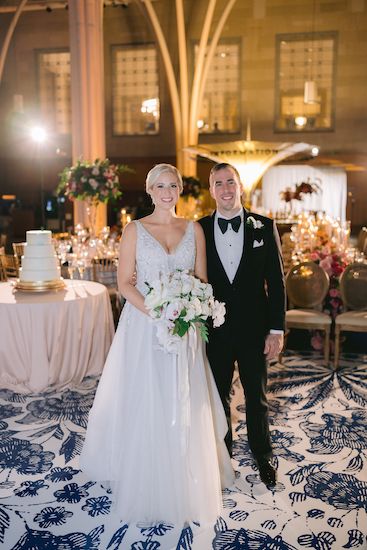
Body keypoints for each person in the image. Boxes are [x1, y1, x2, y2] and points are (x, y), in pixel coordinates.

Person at [80, 163, 234, 525]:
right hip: (147, 326)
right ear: (149, 191)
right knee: (148, 397)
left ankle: (185, 471)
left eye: (173, 186)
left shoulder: (194, 229)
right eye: (160, 186)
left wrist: (193, 308)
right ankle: (146, 472)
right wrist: (159, 311)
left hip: (186, 329)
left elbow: (201, 279)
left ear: (180, 190)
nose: (167, 192)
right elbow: (124, 284)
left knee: (183, 398)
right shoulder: (134, 231)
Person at [198, 162, 285, 488]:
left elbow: (276, 283)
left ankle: (263, 454)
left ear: (240, 186)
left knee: (257, 397)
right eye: (218, 183)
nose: (225, 188)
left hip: (254, 330)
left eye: (230, 182)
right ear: (211, 190)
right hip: (214, 331)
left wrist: (276, 329)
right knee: (217, 395)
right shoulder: (200, 229)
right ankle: (222, 455)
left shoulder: (264, 226)